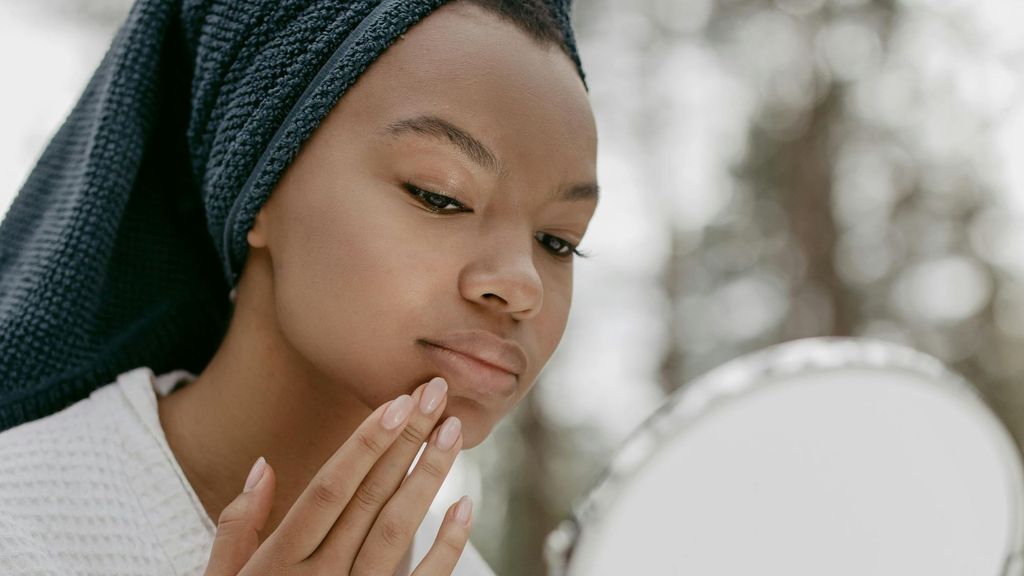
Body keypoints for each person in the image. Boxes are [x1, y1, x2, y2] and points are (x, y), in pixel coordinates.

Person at [0, 0, 598, 574]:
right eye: (440, 196)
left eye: (558, 242)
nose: (523, 286)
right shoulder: (20, 522)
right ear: (259, 184)